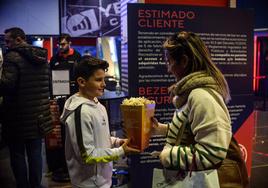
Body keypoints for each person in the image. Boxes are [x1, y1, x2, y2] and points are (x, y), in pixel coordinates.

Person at [151, 31, 249, 187]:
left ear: (183, 61)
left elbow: (211, 153)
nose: (168, 69)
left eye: (169, 62)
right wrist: (161, 129)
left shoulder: (200, 95)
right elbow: (191, 131)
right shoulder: (193, 93)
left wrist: (167, 155)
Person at [60, 55, 140, 188]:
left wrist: (117, 142)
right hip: (88, 184)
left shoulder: (98, 105)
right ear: (81, 82)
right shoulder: (80, 112)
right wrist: (121, 151)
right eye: (98, 80)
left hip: (102, 182)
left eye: (103, 79)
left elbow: (99, 138)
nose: (104, 84)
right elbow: (88, 155)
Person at [0, 27, 53, 188]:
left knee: (17, 154)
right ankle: (36, 185)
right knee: (36, 154)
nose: (6, 44)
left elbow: (7, 86)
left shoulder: (12, 57)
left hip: (17, 117)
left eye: (8, 41)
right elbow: (47, 86)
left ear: (18, 39)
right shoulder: (42, 57)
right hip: (39, 116)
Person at [48, 33, 81, 181]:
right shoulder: (54, 59)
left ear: (69, 43)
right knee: (62, 134)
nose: (61, 47)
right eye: (59, 45)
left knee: (75, 132)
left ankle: (77, 164)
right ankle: (62, 166)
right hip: (60, 103)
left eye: (63, 44)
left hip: (76, 101)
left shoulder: (78, 57)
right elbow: (50, 79)